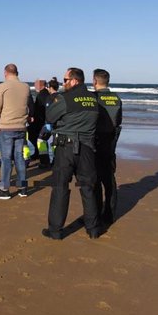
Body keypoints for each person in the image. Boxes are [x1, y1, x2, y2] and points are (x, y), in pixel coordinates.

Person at [42, 67, 101, 240]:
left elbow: (50, 116)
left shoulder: (65, 98)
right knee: (88, 188)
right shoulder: (93, 99)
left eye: (65, 80)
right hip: (88, 148)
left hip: (66, 148)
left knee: (60, 187)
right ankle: (93, 229)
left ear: (75, 81)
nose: (63, 83)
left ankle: (55, 230)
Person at [0, 63, 35, 199]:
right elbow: (29, 105)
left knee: (6, 158)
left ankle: (4, 189)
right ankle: (22, 188)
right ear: (17, 73)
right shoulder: (26, 87)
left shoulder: (2, 87)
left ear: (5, 73)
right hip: (21, 126)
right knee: (19, 157)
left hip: (6, 127)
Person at [93, 68, 123, 225]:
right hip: (111, 142)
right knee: (110, 180)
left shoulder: (94, 97)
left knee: (96, 181)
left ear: (95, 81)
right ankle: (110, 215)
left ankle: (96, 213)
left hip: (97, 142)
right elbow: (119, 121)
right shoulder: (116, 98)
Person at [27, 79, 49, 160]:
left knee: (38, 138)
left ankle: (42, 157)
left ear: (41, 85)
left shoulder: (42, 95)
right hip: (43, 120)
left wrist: (32, 117)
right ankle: (38, 153)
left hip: (40, 120)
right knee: (40, 138)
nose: (34, 86)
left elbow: (40, 109)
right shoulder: (45, 94)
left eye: (36, 84)